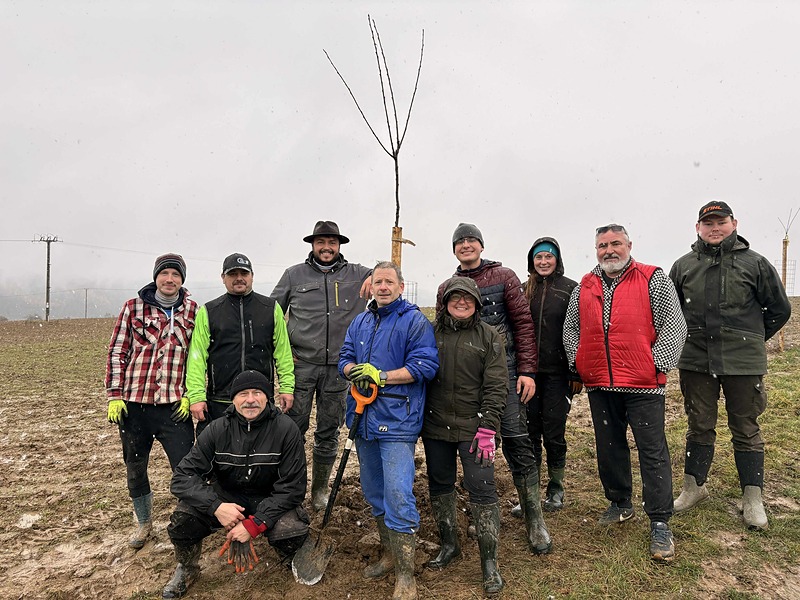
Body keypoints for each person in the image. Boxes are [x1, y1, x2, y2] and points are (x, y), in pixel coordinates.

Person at [563, 224, 687, 562]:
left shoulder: (653, 278)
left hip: (643, 384)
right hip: (600, 383)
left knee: (652, 450)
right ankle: (619, 502)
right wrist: (579, 361)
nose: (609, 251)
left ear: (629, 245)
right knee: (609, 446)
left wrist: (655, 364)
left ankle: (659, 520)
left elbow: (673, 325)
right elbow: (571, 328)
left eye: (615, 243)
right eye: (602, 245)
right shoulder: (585, 285)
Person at [669, 201, 791, 530]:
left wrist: (750, 339)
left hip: (743, 363)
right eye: (708, 223)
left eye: (720, 222)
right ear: (697, 228)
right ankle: (694, 488)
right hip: (696, 361)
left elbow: (779, 309)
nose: (715, 228)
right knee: (699, 424)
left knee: (746, 427)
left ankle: (752, 498)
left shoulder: (756, 264)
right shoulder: (683, 266)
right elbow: (672, 313)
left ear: (734, 224)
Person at [437, 223, 551, 555]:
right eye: (460, 242)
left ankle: (534, 517)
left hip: (508, 373)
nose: (466, 245)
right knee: (479, 445)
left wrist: (527, 371)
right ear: (454, 249)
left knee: (517, 441)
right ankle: (482, 509)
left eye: (471, 240)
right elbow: (443, 332)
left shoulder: (504, 277)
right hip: (467, 382)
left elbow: (523, 325)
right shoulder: (447, 287)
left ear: (481, 246)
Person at [162, 370, 309, 599]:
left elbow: (293, 488)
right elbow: (182, 477)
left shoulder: (286, 430)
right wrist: (216, 507)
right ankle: (187, 567)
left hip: (268, 498)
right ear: (233, 399)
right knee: (183, 520)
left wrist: (255, 524)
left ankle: (289, 556)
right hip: (225, 498)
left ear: (267, 397)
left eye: (257, 393)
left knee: (291, 531)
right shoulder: (217, 429)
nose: (250, 400)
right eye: (243, 394)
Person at [339, 262, 438, 600]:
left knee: (398, 493)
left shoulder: (414, 321)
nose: (382, 287)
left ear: (400, 286)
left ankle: (406, 576)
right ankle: (389, 555)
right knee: (374, 490)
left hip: (398, 419)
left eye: (389, 282)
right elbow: (344, 357)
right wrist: (352, 370)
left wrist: (381, 376)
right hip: (363, 418)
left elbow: (425, 366)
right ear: (371, 286)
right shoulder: (360, 321)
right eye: (377, 281)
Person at [270, 220, 372, 511]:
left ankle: (319, 491)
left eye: (332, 242)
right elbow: (271, 314)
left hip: (339, 369)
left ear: (339, 245)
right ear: (313, 245)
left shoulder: (357, 274)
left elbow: (388, 273)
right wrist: (283, 352)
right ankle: (290, 490)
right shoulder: (294, 275)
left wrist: (376, 273)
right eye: (321, 242)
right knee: (293, 429)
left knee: (329, 431)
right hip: (301, 366)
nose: (326, 247)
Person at [105, 253, 198, 549]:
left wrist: (191, 395)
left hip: (175, 408)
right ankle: (144, 523)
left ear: (182, 280)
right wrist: (114, 395)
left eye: (175, 274)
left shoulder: (193, 311)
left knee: (185, 468)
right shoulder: (132, 308)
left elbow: (198, 358)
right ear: (156, 277)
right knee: (135, 467)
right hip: (135, 406)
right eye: (164, 273)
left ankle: (186, 521)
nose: (169, 279)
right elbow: (117, 352)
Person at [422, 277, 508, 594]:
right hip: (435, 426)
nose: (461, 302)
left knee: (482, 488)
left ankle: (489, 562)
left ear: (477, 303)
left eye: (467, 298)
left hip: (475, 428)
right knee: (440, 484)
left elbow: (497, 385)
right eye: (455, 297)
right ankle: (450, 545)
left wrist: (489, 426)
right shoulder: (430, 333)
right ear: (445, 302)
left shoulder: (489, 336)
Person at [185, 253, 294, 435]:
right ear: (223, 277)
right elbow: (197, 358)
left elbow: (283, 354)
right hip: (220, 401)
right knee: (218, 450)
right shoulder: (209, 311)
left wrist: (287, 388)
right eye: (232, 274)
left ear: (252, 276)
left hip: (259, 399)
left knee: (262, 449)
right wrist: (196, 396)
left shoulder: (271, 308)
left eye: (244, 273)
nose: (239, 278)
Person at [523, 237, 580, 512]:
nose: (543, 261)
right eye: (538, 257)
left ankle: (556, 488)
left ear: (557, 259)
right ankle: (531, 491)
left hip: (559, 374)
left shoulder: (571, 289)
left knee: (554, 432)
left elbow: (580, 330)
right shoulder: (524, 290)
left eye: (548, 256)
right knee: (530, 432)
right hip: (528, 375)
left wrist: (576, 372)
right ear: (531, 260)